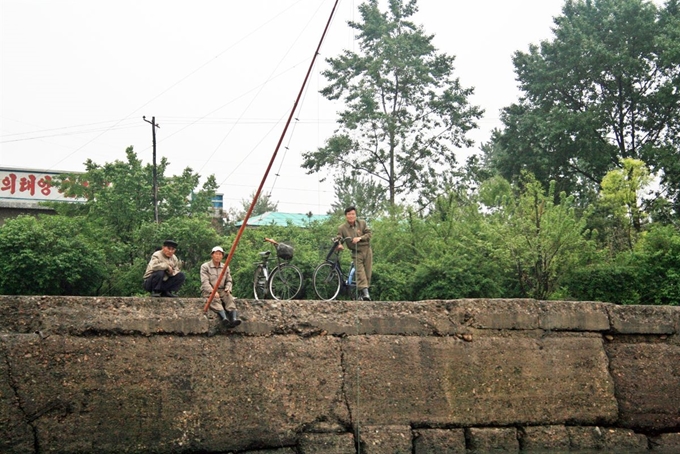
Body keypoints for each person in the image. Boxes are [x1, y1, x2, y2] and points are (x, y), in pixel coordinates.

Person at [336, 206, 373, 300]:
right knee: (360, 272)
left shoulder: (362, 223)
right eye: (349, 214)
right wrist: (339, 244)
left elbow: (369, 234)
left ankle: (362, 295)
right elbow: (338, 238)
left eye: (353, 214)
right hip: (356, 252)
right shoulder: (342, 228)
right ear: (346, 216)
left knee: (368, 273)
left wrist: (360, 238)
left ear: (355, 215)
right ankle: (366, 294)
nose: (351, 216)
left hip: (367, 250)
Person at [200, 246, 241, 328]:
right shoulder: (205, 266)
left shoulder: (225, 267)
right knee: (214, 300)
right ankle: (224, 318)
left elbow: (229, 280)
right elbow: (204, 282)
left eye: (220, 254)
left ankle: (233, 318)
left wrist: (228, 288)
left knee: (229, 297)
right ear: (212, 255)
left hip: (222, 289)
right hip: (209, 290)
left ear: (222, 256)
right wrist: (212, 291)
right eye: (216, 254)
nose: (218, 256)